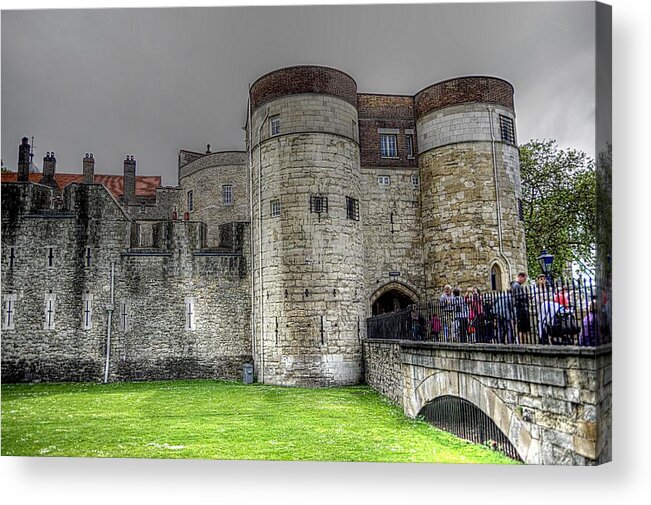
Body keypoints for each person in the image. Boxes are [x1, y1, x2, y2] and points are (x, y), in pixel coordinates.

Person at [511, 272, 531, 339]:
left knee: (522, 329)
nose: (524, 281)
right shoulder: (516, 285)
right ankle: (522, 343)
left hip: (520, 309)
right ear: (520, 277)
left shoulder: (515, 285)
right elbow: (518, 297)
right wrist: (526, 297)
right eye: (524, 279)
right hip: (520, 310)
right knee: (522, 329)